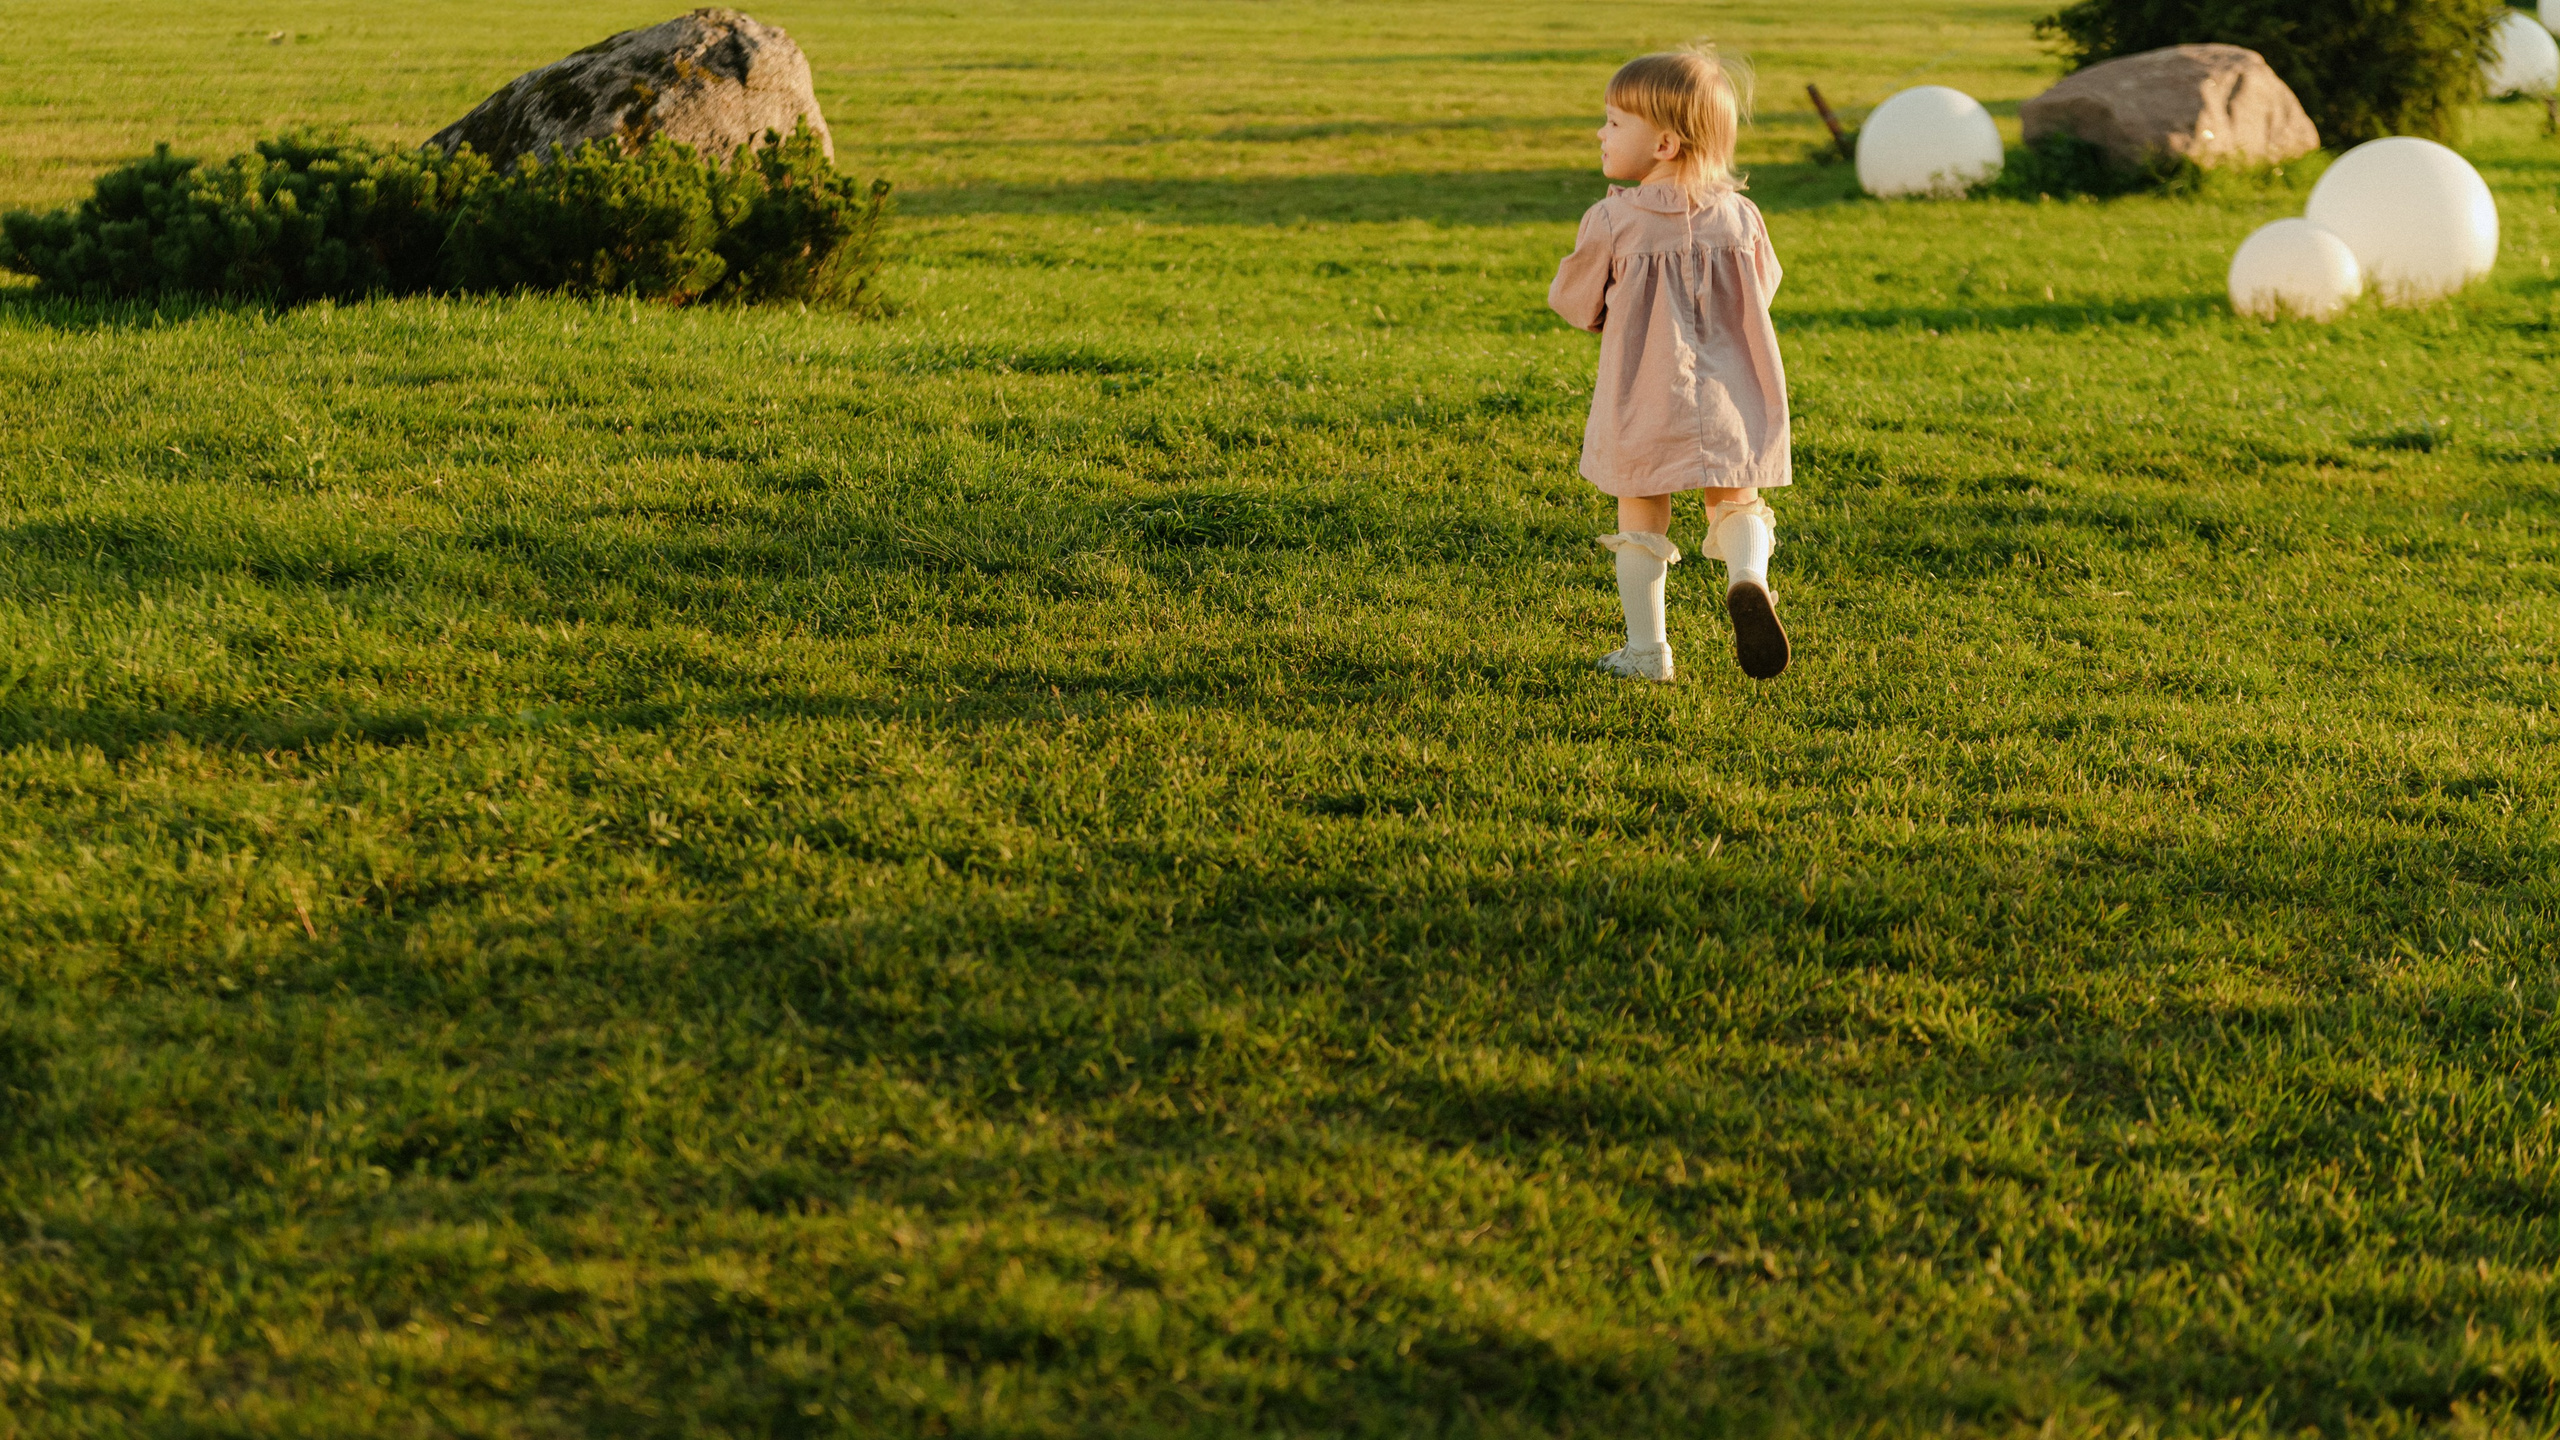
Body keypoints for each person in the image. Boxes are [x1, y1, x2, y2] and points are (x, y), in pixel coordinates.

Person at [1548, 46, 1792, 682]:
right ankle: (1747, 576)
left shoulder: (1612, 220)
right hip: (1734, 388)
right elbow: (1764, 288)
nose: (1602, 133)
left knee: (1641, 512)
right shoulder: (1741, 215)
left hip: (1644, 390)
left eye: (1614, 122)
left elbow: (1574, 303)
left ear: (1663, 144)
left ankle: (1647, 651)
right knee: (1736, 497)